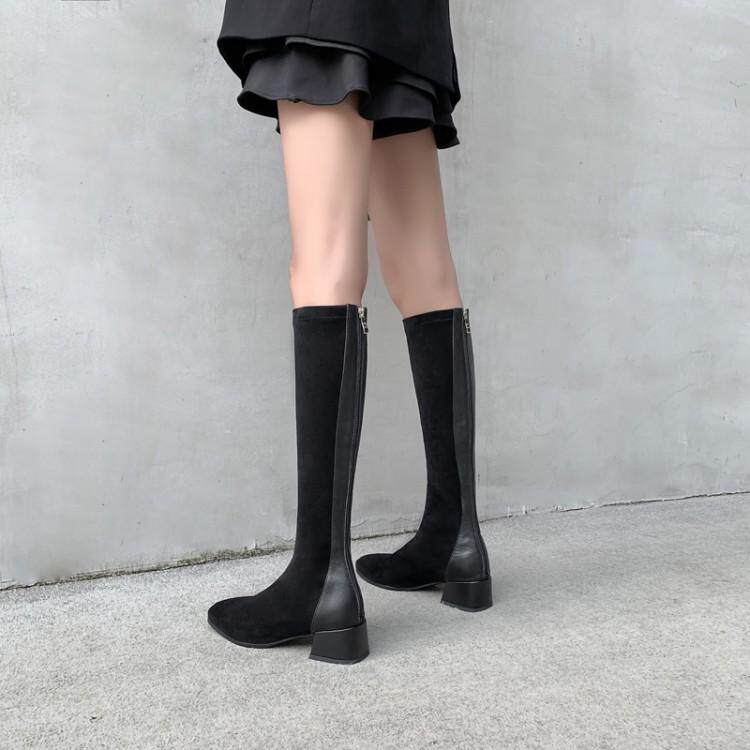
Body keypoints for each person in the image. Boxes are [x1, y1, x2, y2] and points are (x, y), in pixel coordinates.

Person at [207, 0, 492, 665]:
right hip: (406, 18)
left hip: (322, 12)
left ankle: (319, 583)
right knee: (423, 265)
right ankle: (455, 538)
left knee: (323, 262)